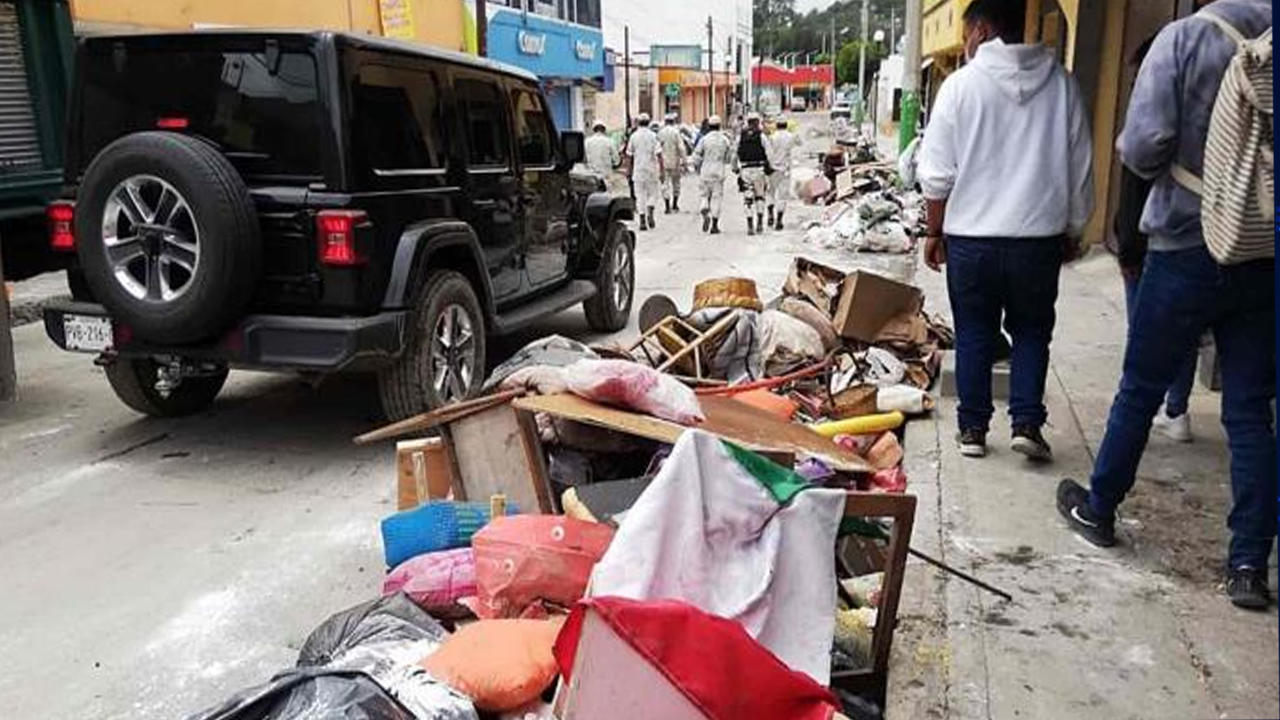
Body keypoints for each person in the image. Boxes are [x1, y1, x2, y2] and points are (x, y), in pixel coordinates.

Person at [1057, 0, 1274, 611]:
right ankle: (1249, 563)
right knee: (1251, 412)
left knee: (1141, 385)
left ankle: (1100, 508)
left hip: (1187, 243)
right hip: (1264, 254)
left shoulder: (1183, 40)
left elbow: (1144, 146)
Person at [916, 0, 1094, 461]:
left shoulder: (959, 88)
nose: (967, 42)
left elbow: (936, 175)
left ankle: (973, 429)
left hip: (972, 242)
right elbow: (1079, 167)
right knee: (1033, 330)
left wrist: (934, 233)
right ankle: (1027, 425)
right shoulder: (1062, 85)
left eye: (968, 31)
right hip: (1037, 241)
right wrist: (1074, 227)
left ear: (983, 29)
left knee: (974, 332)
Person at [1105, 38, 1199, 444]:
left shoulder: (1155, 122)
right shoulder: (1211, 108)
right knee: (1188, 332)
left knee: (1144, 345)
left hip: (1159, 240)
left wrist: (1127, 246)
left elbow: (1134, 181)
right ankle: (1177, 407)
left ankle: (1101, 500)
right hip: (1223, 239)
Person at [691, 114, 733, 235]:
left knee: (704, 195)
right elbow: (729, 157)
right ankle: (714, 225)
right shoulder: (724, 139)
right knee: (716, 198)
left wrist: (697, 167)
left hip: (705, 170)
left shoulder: (704, 139)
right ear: (719, 126)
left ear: (709, 126)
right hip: (718, 171)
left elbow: (696, 155)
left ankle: (704, 208)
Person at [733, 112, 772, 236]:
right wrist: (770, 167)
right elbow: (769, 153)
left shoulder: (741, 137)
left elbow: (734, 154)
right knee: (760, 197)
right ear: (757, 122)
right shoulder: (762, 136)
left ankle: (750, 225)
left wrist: (735, 168)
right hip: (759, 170)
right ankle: (759, 221)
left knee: (747, 199)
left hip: (745, 170)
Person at [624, 113, 663, 231]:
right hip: (651, 170)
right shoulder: (653, 136)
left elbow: (629, 156)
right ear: (648, 122)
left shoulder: (633, 137)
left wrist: (628, 171)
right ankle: (650, 209)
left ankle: (642, 219)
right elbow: (659, 154)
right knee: (653, 194)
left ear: (638, 123)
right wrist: (662, 170)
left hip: (638, 170)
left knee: (640, 195)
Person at [766, 118, 800, 230]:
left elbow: (768, 152)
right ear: (786, 125)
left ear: (776, 125)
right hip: (785, 169)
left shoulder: (772, 137)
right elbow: (800, 143)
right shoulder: (790, 136)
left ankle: (770, 212)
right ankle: (779, 220)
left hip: (772, 169)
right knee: (782, 196)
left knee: (770, 192)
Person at [657, 113, 687, 214]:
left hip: (664, 163)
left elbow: (657, 149)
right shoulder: (676, 132)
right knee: (676, 184)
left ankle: (667, 206)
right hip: (675, 162)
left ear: (665, 122)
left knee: (665, 185)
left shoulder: (660, 133)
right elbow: (681, 148)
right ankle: (674, 204)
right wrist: (684, 161)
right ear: (673, 122)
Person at [584, 120, 621, 192]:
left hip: (591, 177)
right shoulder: (610, 141)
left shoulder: (587, 141)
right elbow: (616, 161)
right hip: (606, 177)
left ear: (594, 130)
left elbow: (583, 159)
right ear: (604, 130)